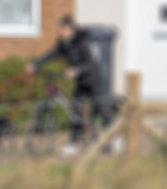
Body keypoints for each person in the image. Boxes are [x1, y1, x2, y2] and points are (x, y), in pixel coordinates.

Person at [26, 15, 113, 155]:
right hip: (81, 82)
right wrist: (35, 65)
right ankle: (73, 143)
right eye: (60, 30)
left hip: (93, 80)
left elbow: (90, 63)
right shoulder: (64, 45)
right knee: (75, 111)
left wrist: (76, 70)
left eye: (63, 30)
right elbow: (51, 54)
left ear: (71, 29)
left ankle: (114, 139)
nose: (61, 33)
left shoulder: (83, 42)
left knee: (101, 111)